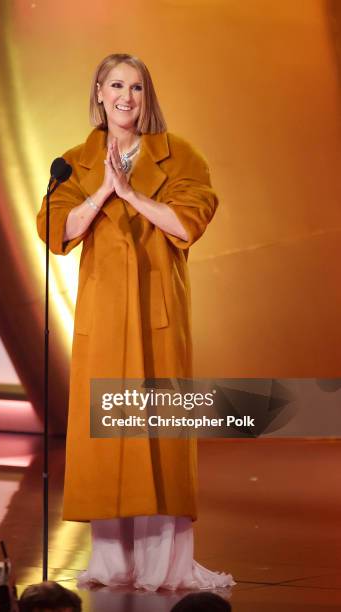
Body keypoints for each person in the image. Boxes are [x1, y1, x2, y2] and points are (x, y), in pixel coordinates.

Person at [36, 53, 235, 591]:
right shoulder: (74, 163)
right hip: (102, 317)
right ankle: (111, 561)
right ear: (99, 91)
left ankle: (163, 565)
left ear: (148, 97)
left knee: (158, 436)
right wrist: (104, 190)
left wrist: (131, 194)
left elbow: (190, 220)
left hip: (157, 318)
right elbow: (55, 229)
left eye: (138, 87)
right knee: (107, 442)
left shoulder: (180, 156)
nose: (127, 96)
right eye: (117, 85)